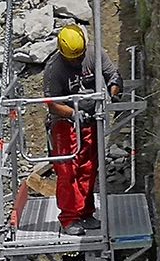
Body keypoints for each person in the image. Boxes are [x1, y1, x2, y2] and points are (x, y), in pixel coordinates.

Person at [45, 24, 121, 234]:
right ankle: (69, 218)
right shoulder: (55, 69)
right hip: (65, 124)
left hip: (90, 120)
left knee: (88, 168)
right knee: (68, 170)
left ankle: (86, 213)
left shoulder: (94, 54)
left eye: (79, 57)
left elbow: (112, 75)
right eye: (73, 59)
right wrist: (72, 113)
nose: (77, 61)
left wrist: (114, 91)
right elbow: (51, 102)